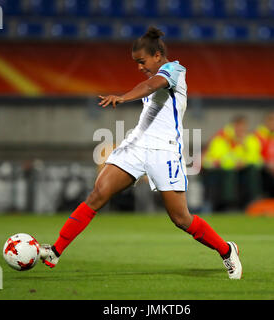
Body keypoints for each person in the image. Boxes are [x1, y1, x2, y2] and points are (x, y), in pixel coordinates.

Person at [39, 27, 242, 279]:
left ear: (157, 56)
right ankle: (56, 250)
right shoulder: (156, 72)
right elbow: (147, 86)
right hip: (136, 145)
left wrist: (123, 98)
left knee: (181, 218)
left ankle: (226, 250)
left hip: (165, 150)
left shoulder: (175, 71)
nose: (139, 67)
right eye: (136, 63)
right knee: (98, 194)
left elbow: (149, 86)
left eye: (141, 61)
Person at [201, 115, 261, 211]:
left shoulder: (250, 139)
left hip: (242, 169)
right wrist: (235, 163)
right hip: (221, 170)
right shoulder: (222, 138)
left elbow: (255, 157)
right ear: (233, 126)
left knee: (253, 170)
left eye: (243, 127)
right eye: (239, 126)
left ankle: (253, 201)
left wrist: (243, 161)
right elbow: (218, 158)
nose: (241, 130)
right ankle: (229, 204)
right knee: (230, 173)